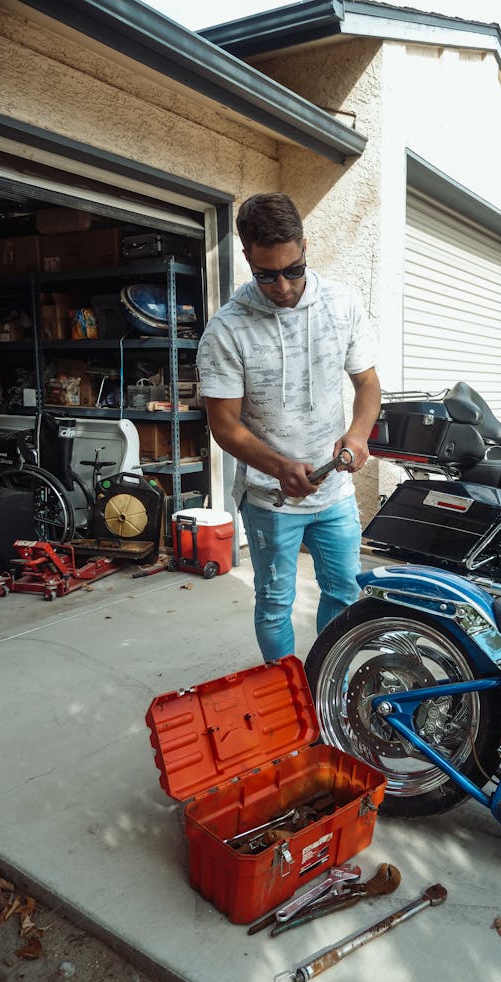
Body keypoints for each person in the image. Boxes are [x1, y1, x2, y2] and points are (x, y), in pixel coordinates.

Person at [196, 192, 381, 661]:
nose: (281, 285)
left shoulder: (341, 305)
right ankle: (289, 700)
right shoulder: (227, 330)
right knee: (276, 604)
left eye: (292, 269)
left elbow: (367, 384)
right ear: (247, 260)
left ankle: (325, 688)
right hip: (270, 500)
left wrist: (358, 433)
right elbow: (223, 424)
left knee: (343, 595)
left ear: (304, 247)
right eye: (266, 274)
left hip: (334, 494)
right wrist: (279, 466)